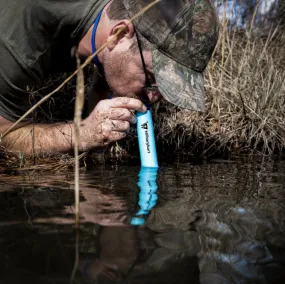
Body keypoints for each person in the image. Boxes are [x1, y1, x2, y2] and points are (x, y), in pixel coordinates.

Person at [0, 0, 219, 155]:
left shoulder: (114, 14)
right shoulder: (18, 41)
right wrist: (81, 134)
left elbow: (115, 56)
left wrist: (99, 92)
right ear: (120, 34)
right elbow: (6, 135)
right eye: (152, 78)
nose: (153, 98)